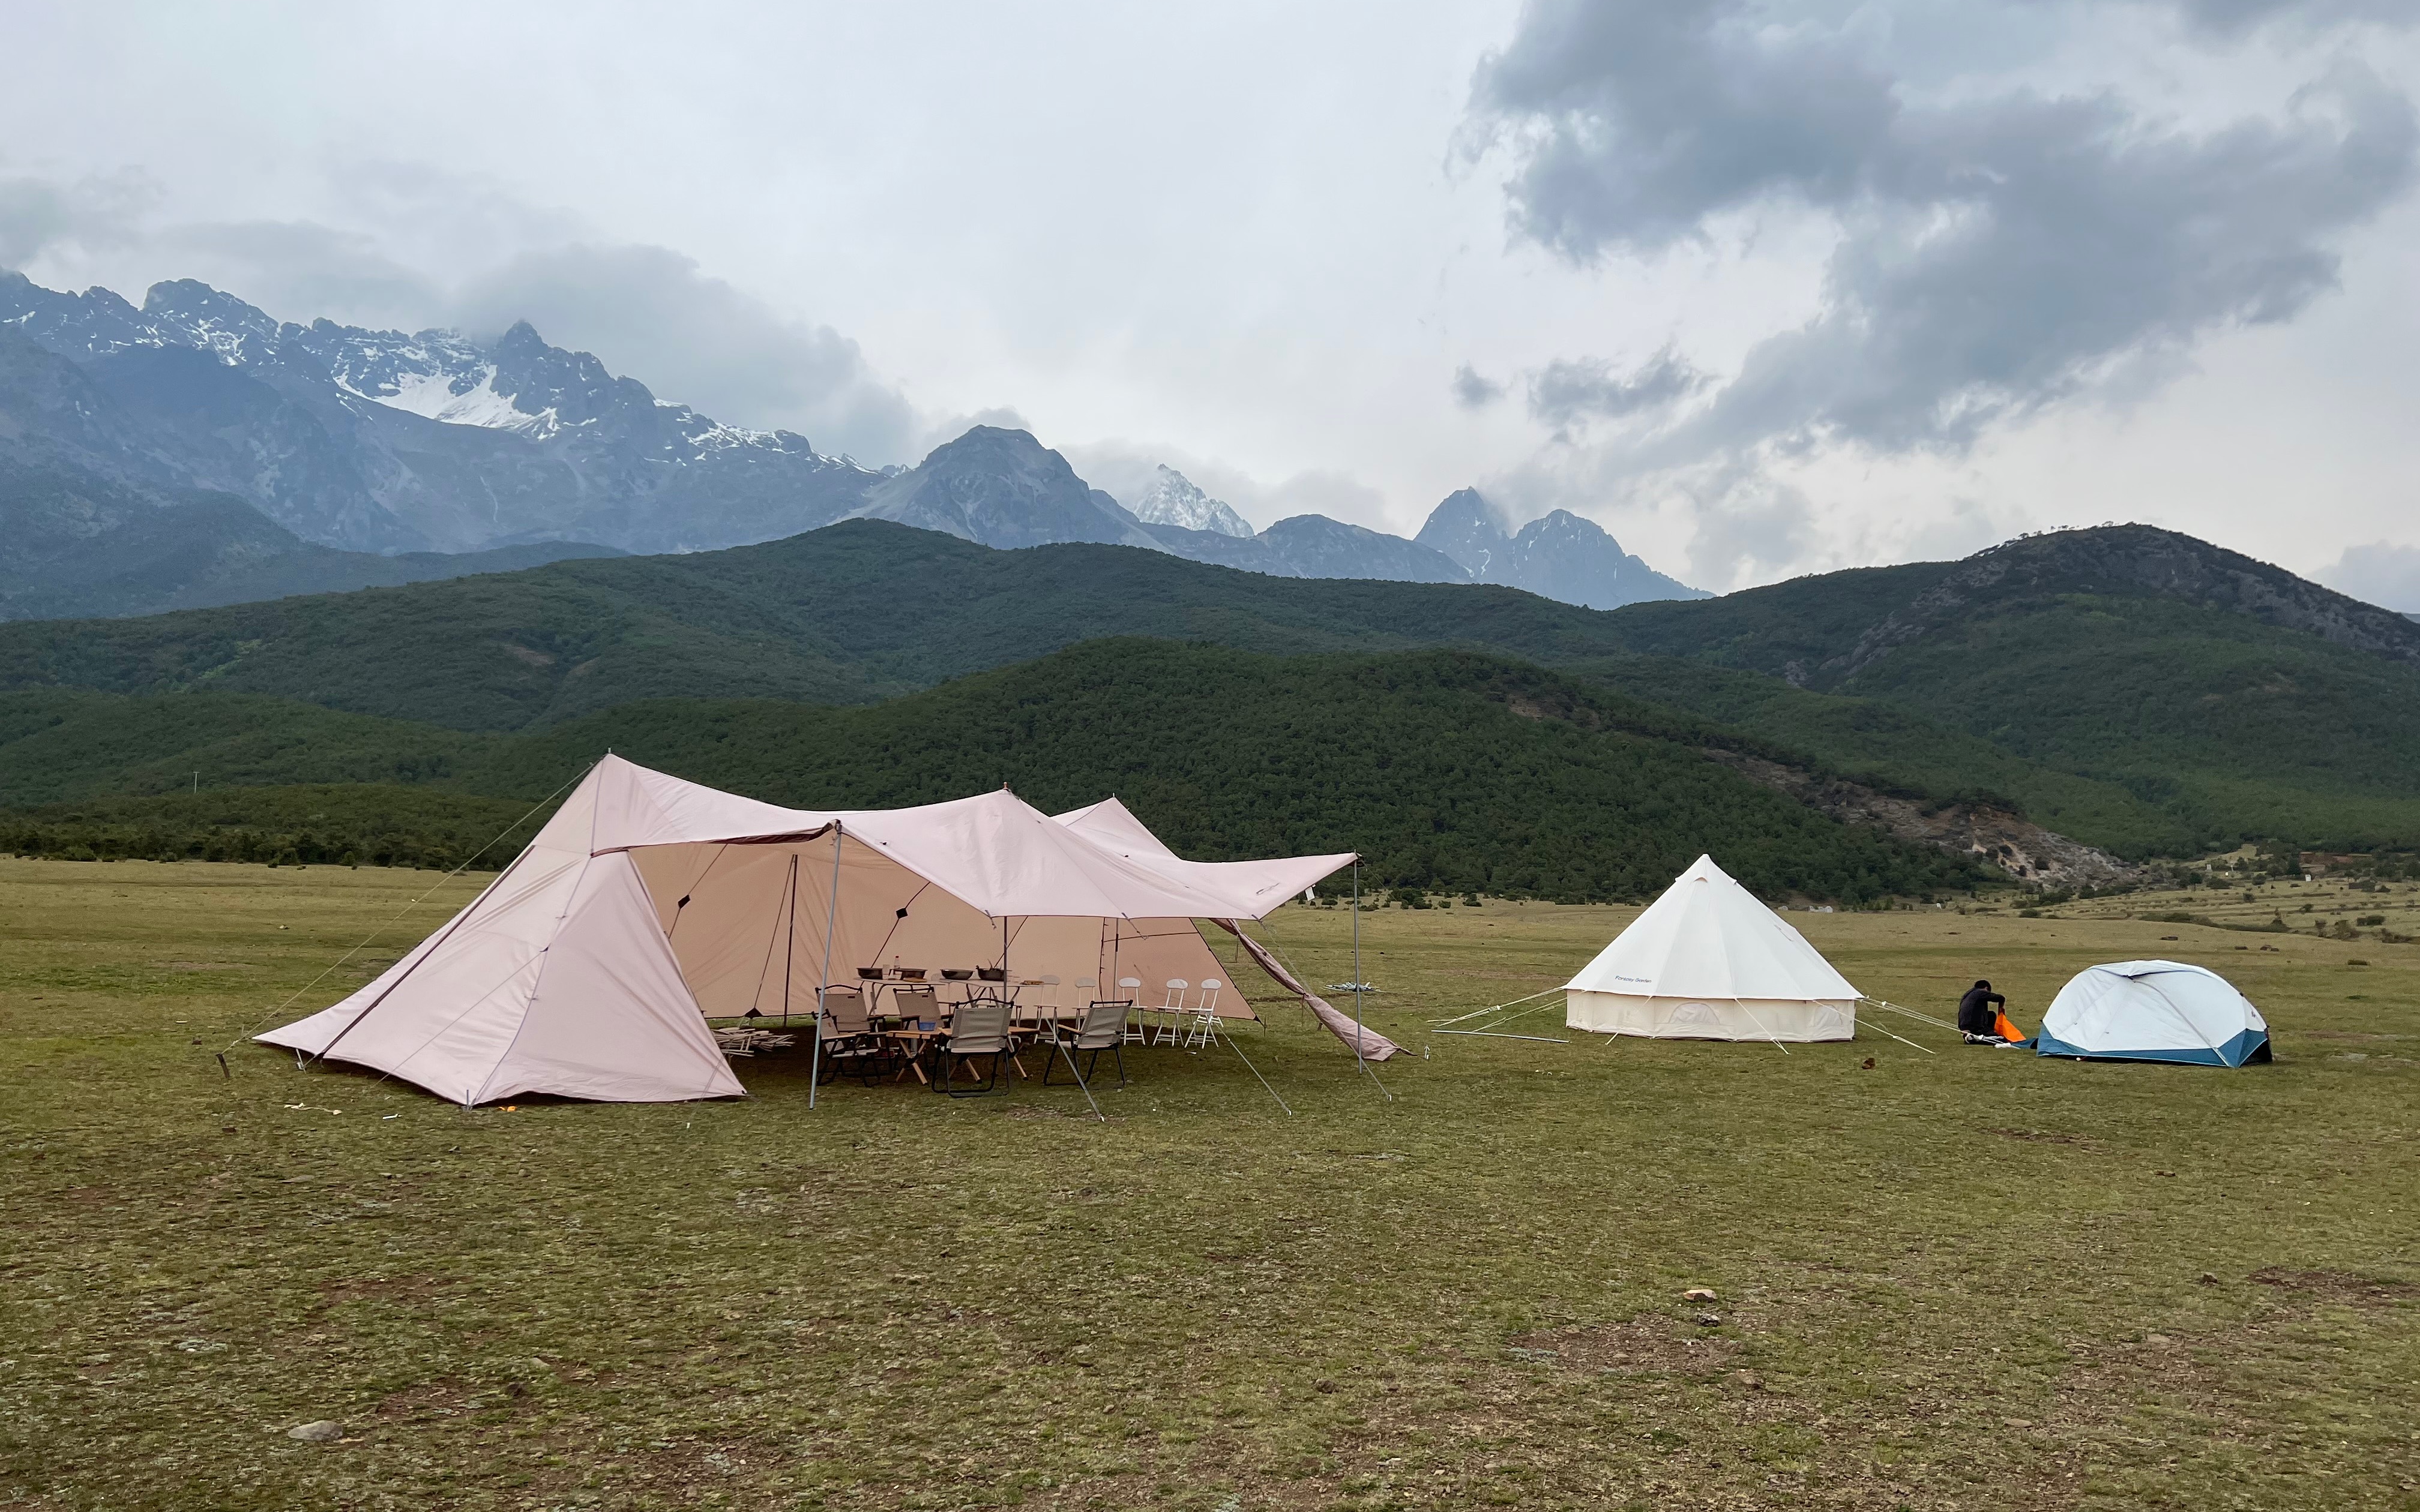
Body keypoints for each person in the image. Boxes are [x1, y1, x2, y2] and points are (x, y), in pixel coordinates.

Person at [1957, 979, 2007, 1045]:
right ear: (1986, 988)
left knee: (1991, 1015)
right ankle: (1978, 1037)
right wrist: (2001, 1009)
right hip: (1974, 1026)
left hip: (1963, 1026)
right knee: (2002, 1039)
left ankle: (1971, 1036)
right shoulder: (1981, 992)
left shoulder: (1967, 995)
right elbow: (2001, 998)